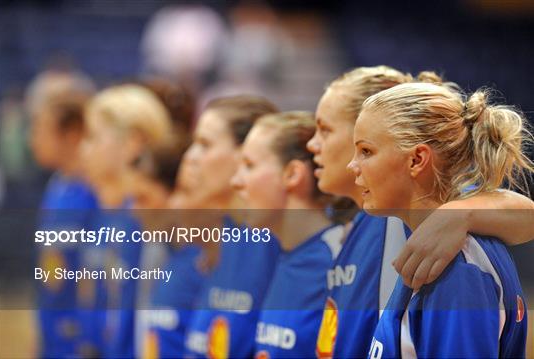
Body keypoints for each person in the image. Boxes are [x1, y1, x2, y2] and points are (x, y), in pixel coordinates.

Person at [306, 66, 534, 358]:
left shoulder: (452, 262)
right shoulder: (380, 222)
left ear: (416, 159)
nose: (312, 144)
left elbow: (522, 211)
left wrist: (462, 214)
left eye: (365, 150)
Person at [230, 111, 343, 358]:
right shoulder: (284, 256)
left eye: (249, 166)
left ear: (292, 174)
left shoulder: (339, 259)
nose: (236, 181)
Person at [181, 95, 281, 359]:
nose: (191, 158)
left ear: (244, 153)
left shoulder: (276, 238)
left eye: (204, 145)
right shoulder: (226, 234)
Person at [80, 84, 174, 358]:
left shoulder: (147, 218)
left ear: (133, 143)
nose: (84, 148)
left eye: (93, 137)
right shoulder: (109, 211)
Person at [29, 87, 98, 358]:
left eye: (40, 130)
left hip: (82, 339)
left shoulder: (95, 192)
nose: (33, 140)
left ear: (71, 135)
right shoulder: (57, 185)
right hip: (52, 332)